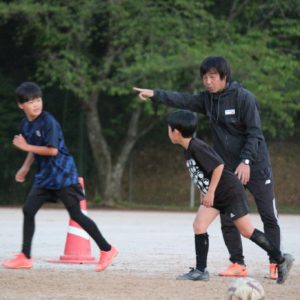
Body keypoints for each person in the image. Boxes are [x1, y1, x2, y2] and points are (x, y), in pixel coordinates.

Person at [133, 56, 281, 279]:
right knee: (227, 217)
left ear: (224, 77)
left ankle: (276, 263)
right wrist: (155, 94)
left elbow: (255, 133)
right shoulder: (207, 100)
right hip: (227, 168)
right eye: (204, 77)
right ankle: (237, 263)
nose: (208, 81)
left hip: (255, 165)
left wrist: (246, 161)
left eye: (212, 77)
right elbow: (182, 100)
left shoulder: (244, 98)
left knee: (268, 216)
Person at [166, 109, 293, 283]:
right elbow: (202, 173)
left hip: (229, 192)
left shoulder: (197, 147)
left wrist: (210, 192)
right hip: (217, 193)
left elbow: (218, 166)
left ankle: (281, 260)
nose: (168, 131)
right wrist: (206, 191)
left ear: (176, 132)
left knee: (247, 231)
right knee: (199, 225)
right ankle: (200, 271)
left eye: (169, 128)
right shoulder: (187, 148)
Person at [2, 82, 118, 272]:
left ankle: (107, 249)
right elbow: (33, 148)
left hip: (63, 174)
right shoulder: (25, 124)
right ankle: (25, 256)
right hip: (44, 177)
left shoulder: (49, 122)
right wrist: (24, 168)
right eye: (30, 101)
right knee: (28, 210)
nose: (36, 104)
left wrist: (26, 147)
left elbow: (52, 150)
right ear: (20, 105)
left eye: (38, 100)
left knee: (76, 215)